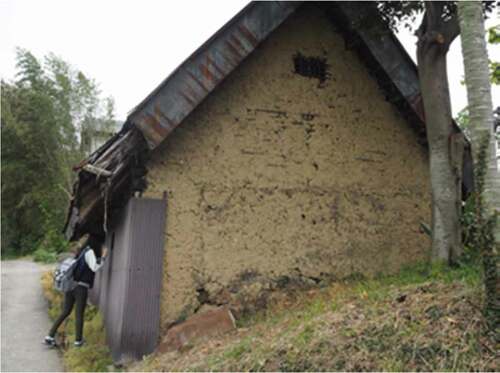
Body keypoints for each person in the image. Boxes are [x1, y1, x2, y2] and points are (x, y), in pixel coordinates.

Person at [44, 234, 108, 347]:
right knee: (79, 314)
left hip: (71, 286)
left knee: (65, 312)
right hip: (80, 288)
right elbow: (94, 267)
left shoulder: (80, 253)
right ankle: (78, 341)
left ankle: (50, 336)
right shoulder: (89, 252)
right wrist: (103, 256)